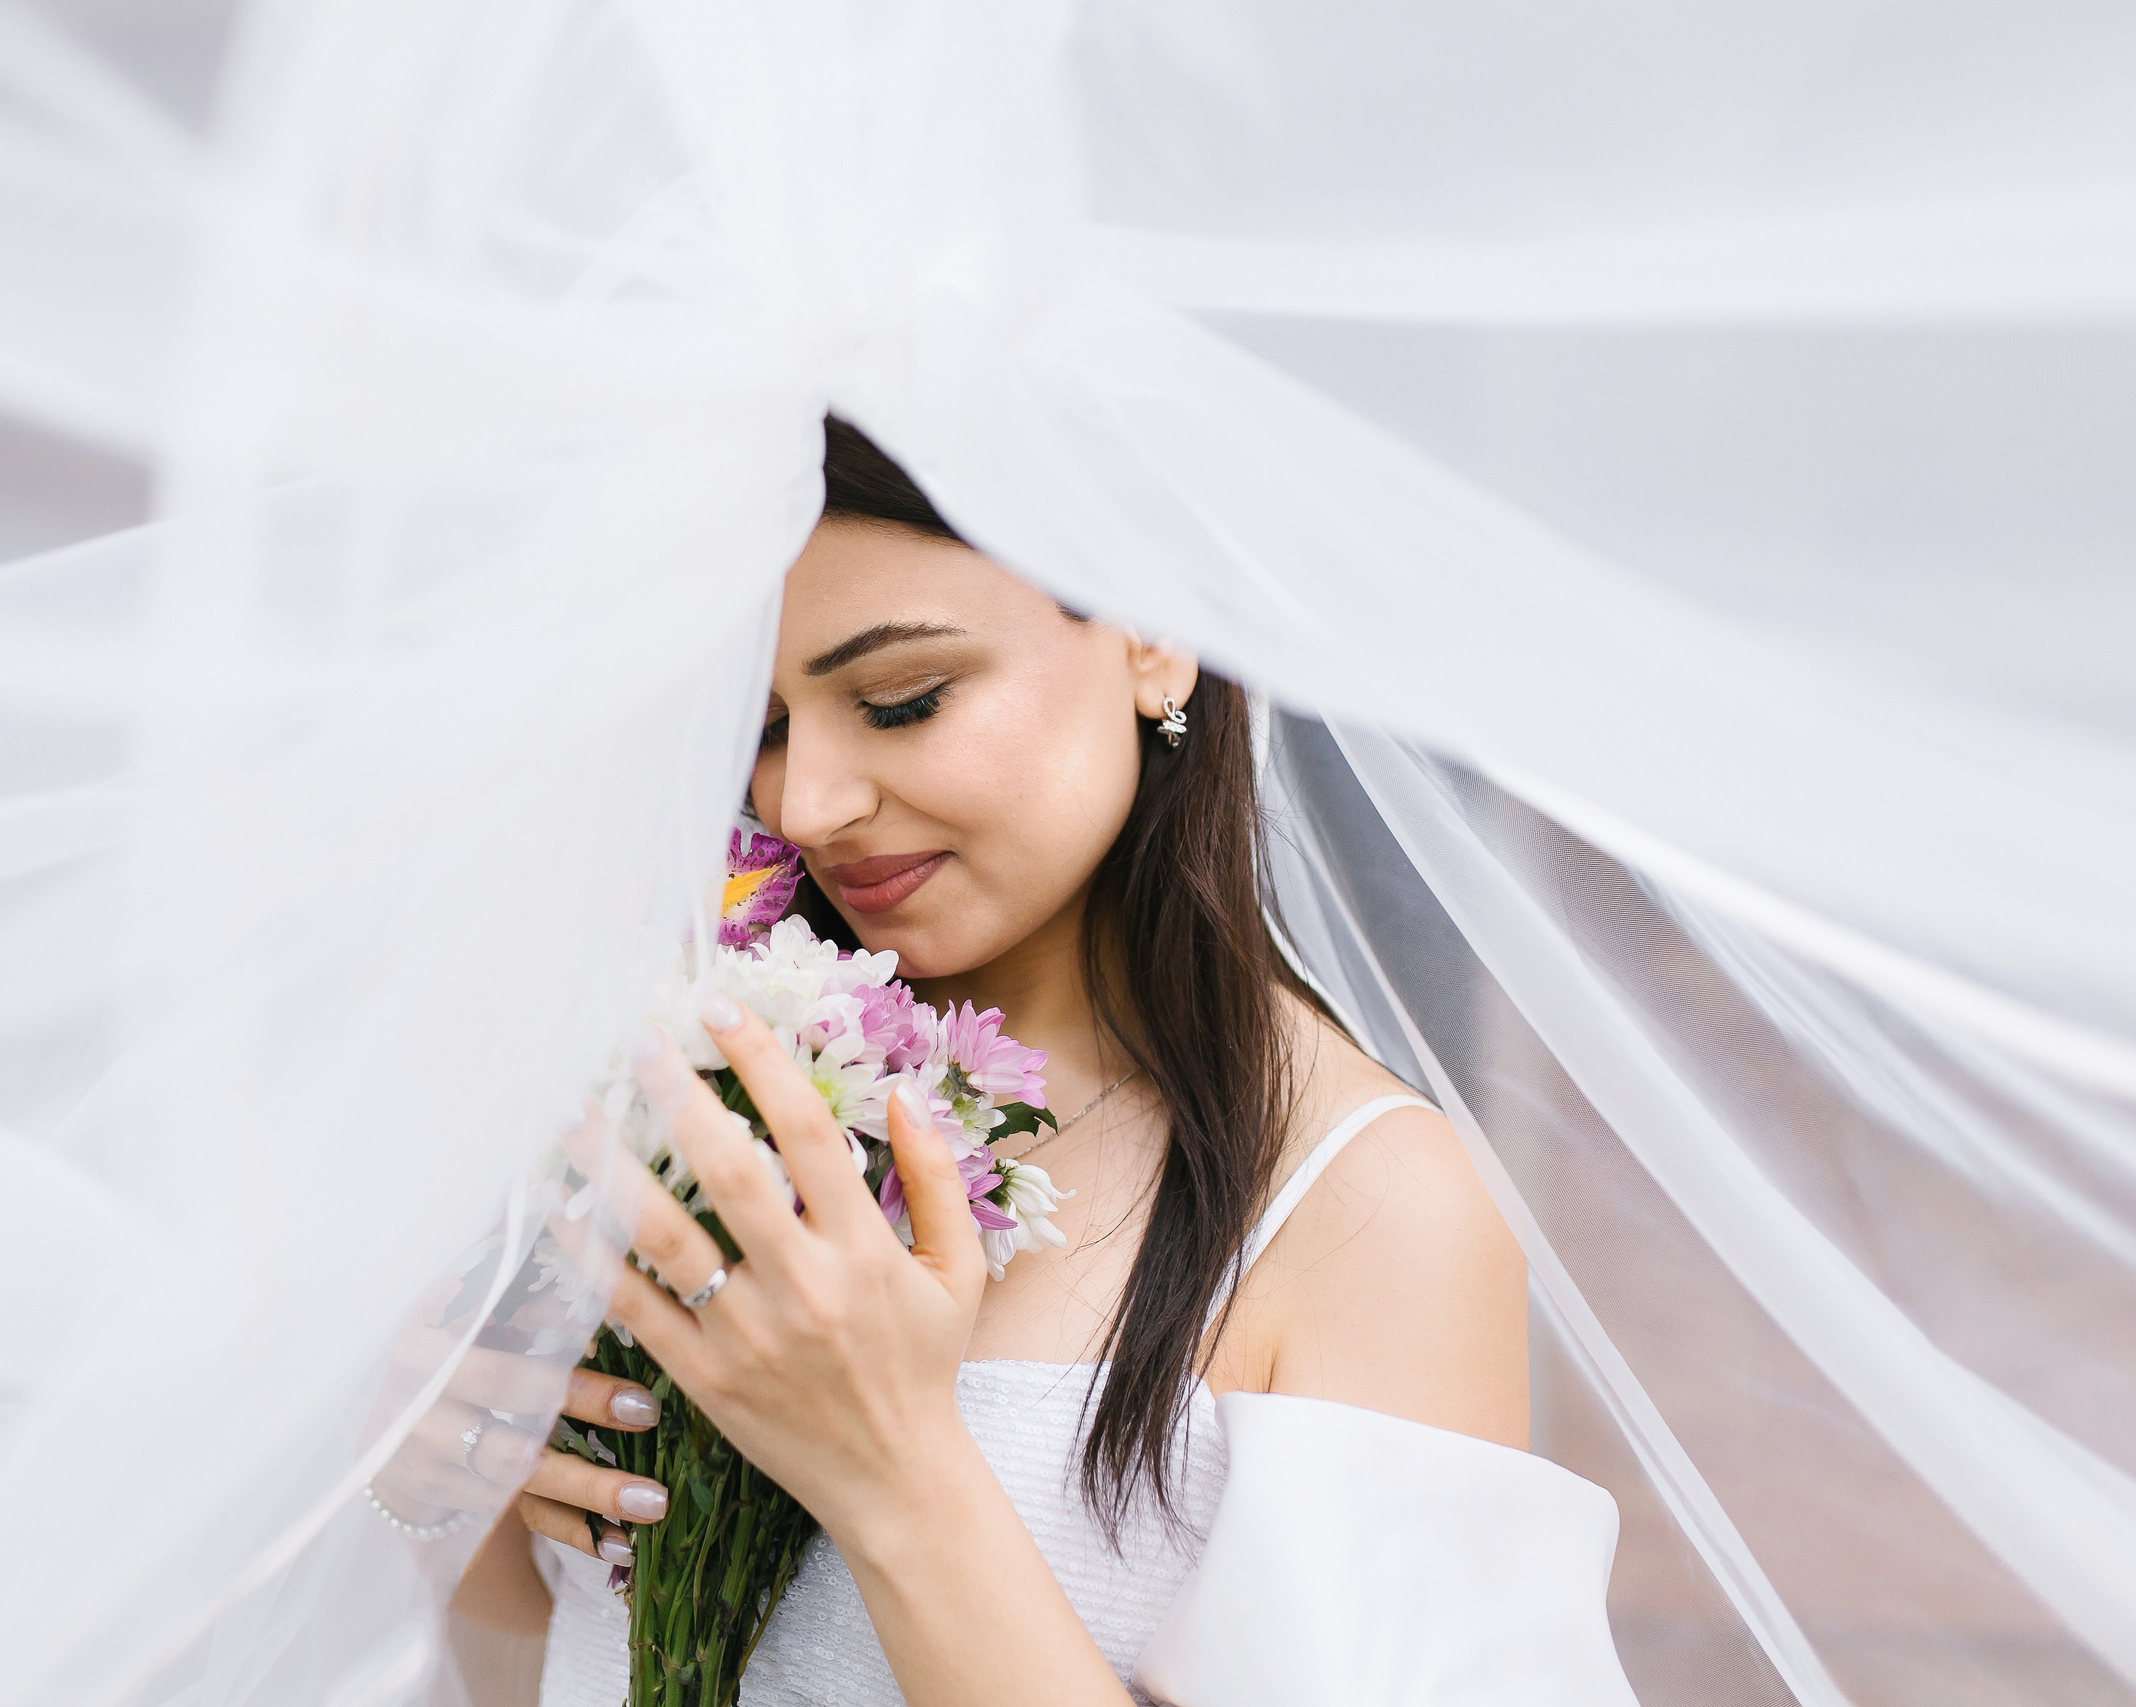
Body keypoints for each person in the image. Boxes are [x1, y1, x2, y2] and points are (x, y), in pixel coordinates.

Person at [386, 420, 1630, 1707]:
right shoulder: (705, 1066)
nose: (806, 805)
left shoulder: (1365, 1207)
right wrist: (441, 1473)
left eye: (901, 700)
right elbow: (555, 1621)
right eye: (760, 728)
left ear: (1151, 634)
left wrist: (893, 1477)